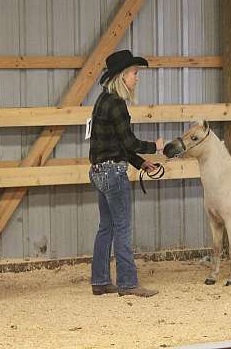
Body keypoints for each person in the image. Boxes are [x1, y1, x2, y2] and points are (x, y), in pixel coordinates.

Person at [88, 49, 163, 298]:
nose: (136, 78)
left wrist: (140, 163)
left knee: (106, 227)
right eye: (134, 73)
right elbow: (129, 142)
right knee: (122, 228)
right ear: (122, 76)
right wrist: (155, 148)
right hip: (114, 172)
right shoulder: (118, 104)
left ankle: (99, 280)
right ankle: (128, 283)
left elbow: (118, 143)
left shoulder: (102, 100)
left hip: (99, 171)